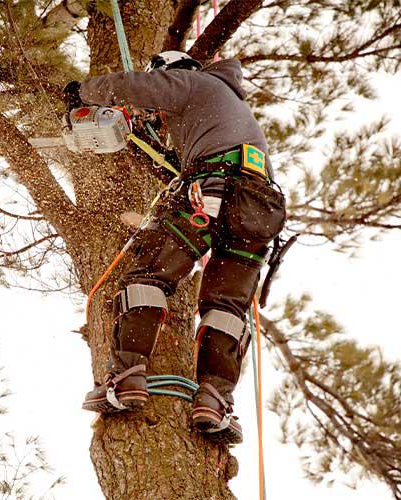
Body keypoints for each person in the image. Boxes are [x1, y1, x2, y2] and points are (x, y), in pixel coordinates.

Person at [64, 51, 286, 444]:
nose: (162, 118)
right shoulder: (225, 107)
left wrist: (84, 92)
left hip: (213, 190)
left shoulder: (192, 82)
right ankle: (214, 403)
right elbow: (178, 165)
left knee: (149, 275)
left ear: (170, 73)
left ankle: (128, 378)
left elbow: (133, 87)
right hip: (259, 208)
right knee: (226, 307)